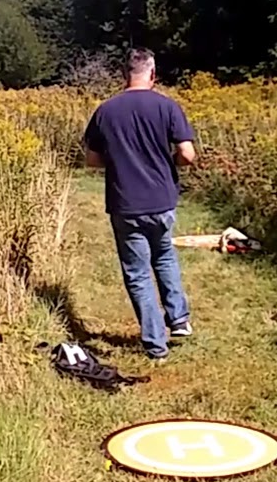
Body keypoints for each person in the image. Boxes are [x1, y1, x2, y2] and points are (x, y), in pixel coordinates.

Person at [82, 48, 197, 360]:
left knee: (138, 273)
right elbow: (187, 154)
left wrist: (120, 162)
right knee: (164, 256)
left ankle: (156, 345)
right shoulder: (167, 106)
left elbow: (92, 161)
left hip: (125, 202)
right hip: (162, 200)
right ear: (153, 75)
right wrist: (168, 160)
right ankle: (180, 319)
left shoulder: (106, 111)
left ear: (124, 75)